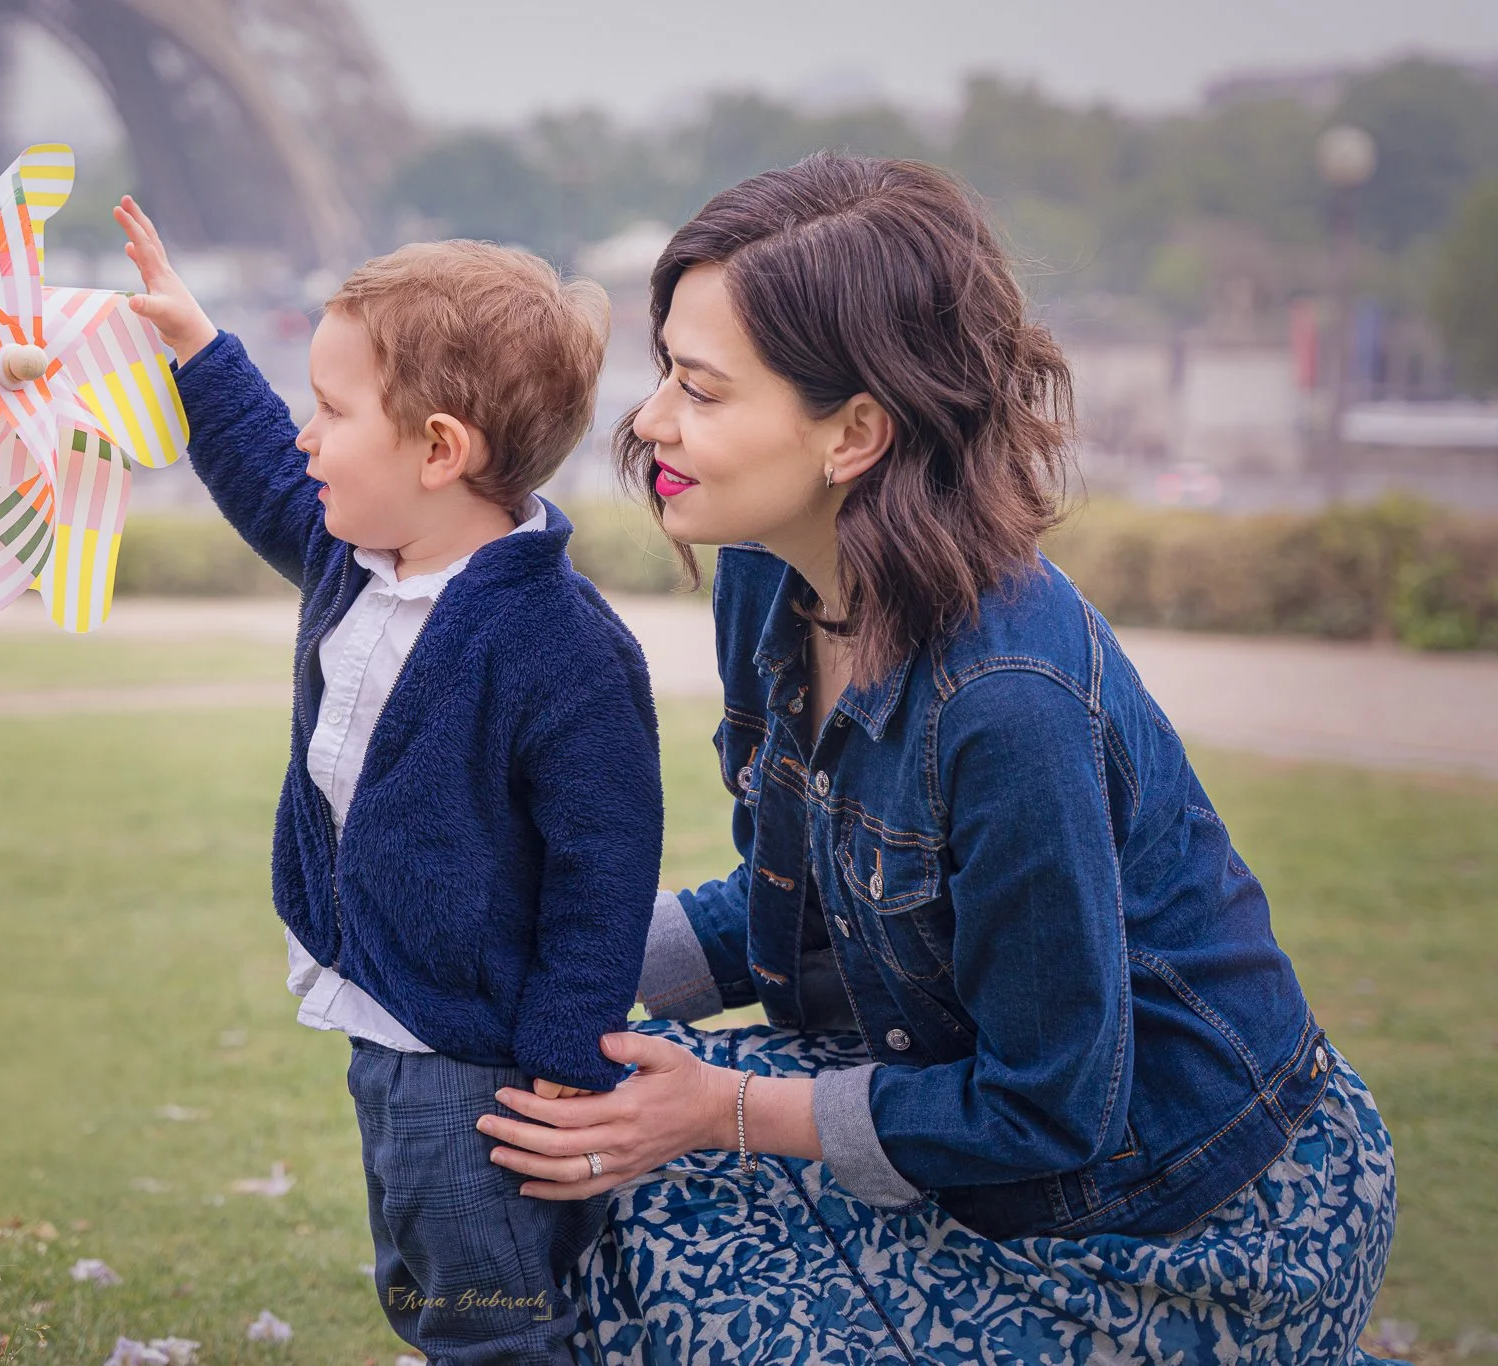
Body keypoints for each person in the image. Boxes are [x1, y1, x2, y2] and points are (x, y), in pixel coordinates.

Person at [472, 154, 1402, 1365]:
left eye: (699, 390)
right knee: (552, 1137)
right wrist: (535, 952)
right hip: (967, 1120)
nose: (647, 422)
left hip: (1182, 1212)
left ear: (854, 430)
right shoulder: (769, 574)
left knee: (669, 1274)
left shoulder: (1003, 698)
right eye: (663, 373)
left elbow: (1046, 1102)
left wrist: (720, 1109)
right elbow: (795, 907)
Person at [113, 197, 663, 1364]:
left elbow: (601, 871)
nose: (306, 435)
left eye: (330, 407)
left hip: (477, 1059)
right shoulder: (356, 557)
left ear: (437, 449)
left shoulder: (561, 646)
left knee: (493, 1310)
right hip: (382, 1006)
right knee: (421, 1280)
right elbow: (266, 469)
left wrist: (569, 1058)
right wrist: (196, 348)